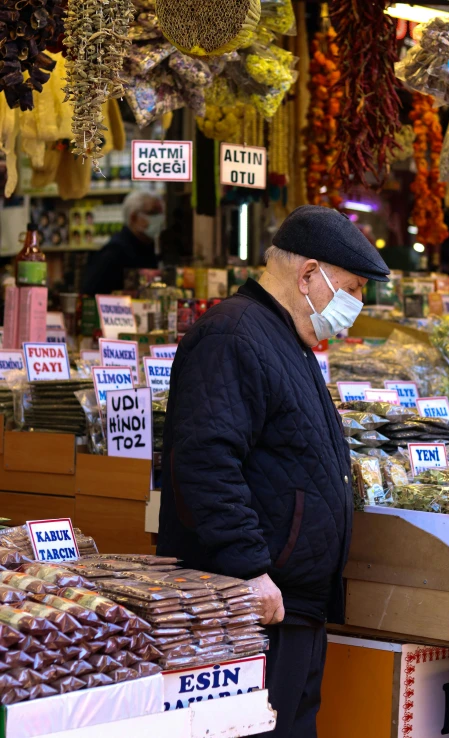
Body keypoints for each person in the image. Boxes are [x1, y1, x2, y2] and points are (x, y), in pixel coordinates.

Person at [158, 205, 390, 738]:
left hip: (291, 607)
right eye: (352, 289)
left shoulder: (285, 337)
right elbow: (205, 460)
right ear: (308, 274)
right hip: (255, 608)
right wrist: (251, 568)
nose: (357, 304)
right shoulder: (233, 335)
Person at [82, 191, 164, 294]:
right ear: (133, 217)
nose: (160, 218)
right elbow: (90, 292)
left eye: (161, 213)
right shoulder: (115, 252)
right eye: (153, 213)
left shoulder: (148, 246)